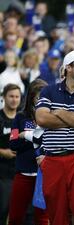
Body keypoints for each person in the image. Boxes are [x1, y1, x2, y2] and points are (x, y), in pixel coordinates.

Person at [35, 50, 74, 225]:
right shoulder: (49, 91)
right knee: (56, 213)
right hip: (53, 159)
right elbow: (41, 118)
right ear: (68, 68)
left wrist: (60, 112)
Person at [8, 79, 49, 225]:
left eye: (43, 97)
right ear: (31, 97)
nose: (40, 100)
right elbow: (13, 143)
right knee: (15, 217)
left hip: (43, 175)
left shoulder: (51, 117)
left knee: (43, 219)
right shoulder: (20, 117)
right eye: (37, 97)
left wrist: (29, 135)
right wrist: (31, 138)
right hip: (23, 174)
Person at [0, 84, 22, 225]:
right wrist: (3, 152)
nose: (14, 100)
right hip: (2, 175)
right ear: (3, 98)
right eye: (11, 96)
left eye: (17, 97)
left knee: (22, 213)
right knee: (3, 210)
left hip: (20, 172)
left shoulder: (22, 118)